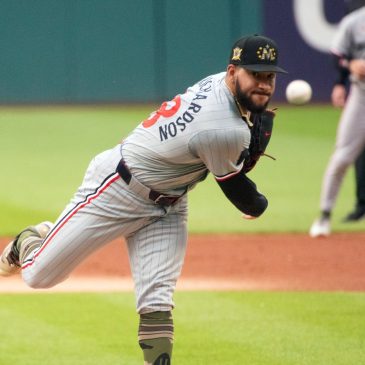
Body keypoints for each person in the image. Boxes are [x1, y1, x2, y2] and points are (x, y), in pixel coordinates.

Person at [0, 34, 287, 364]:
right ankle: (28, 241)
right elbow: (239, 192)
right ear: (233, 71)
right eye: (256, 75)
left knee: (157, 302)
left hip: (169, 203)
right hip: (116, 188)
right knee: (38, 275)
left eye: (269, 77)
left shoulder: (220, 85)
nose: (264, 85)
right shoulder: (223, 129)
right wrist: (259, 206)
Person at [309, 4, 365, 237]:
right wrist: (349, 68)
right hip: (361, 96)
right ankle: (324, 215)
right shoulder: (355, 21)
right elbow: (339, 54)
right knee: (342, 156)